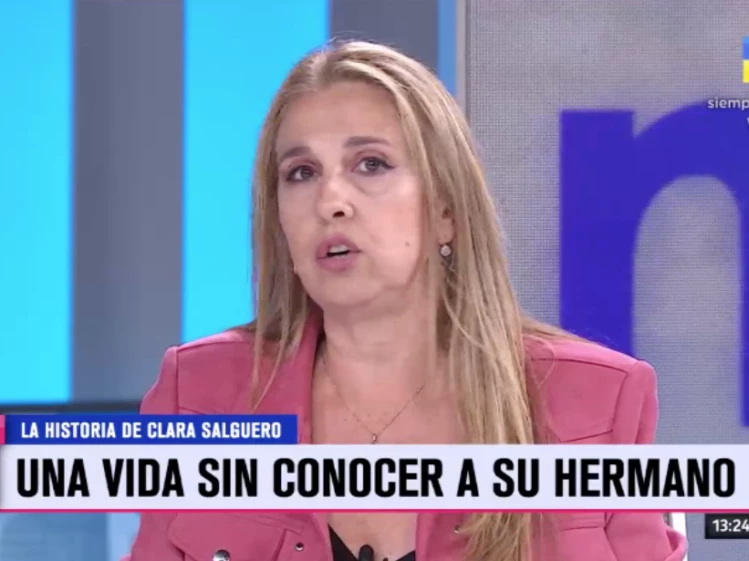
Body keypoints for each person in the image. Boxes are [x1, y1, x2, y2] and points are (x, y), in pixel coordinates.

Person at [126, 40, 687, 561]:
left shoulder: (596, 404)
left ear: (445, 209)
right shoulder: (198, 393)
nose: (330, 200)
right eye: (301, 173)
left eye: (370, 164)